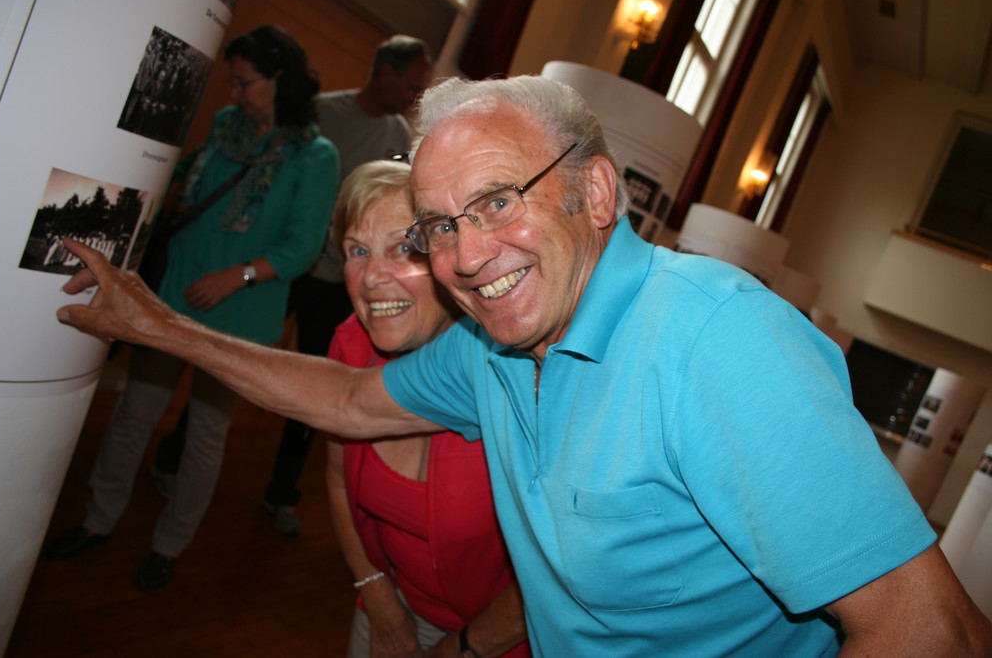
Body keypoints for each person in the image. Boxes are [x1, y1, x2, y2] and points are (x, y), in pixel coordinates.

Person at [56, 74, 992, 655]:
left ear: (596, 191)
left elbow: (932, 630)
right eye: (439, 226)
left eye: (499, 201)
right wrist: (165, 328)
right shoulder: (498, 344)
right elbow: (345, 398)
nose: (466, 256)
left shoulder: (713, 337)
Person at [44, 25, 339, 591]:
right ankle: (98, 518)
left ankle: (169, 545)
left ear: (280, 79)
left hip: (240, 316)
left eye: (244, 82)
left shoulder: (315, 155)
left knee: (205, 435)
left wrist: (237, 276)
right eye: (232, 81)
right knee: (134, 414)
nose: (234, 93)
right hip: (173, 298)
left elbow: (303, 247)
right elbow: (182, 187)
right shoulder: (226, 126)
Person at [324, 159, 528, 657]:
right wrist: (376, 595)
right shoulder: (351, 345)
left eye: (402, 248)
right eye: (357, 251)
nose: (372, 277)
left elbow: (559, 571)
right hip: (386, 604)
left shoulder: (515, 375)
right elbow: (337, 479)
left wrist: (463, 648)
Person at [261, 34, 433, 535]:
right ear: (385, 72)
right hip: (292, 268)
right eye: (411, 85)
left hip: (344, 282)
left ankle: (281, 492)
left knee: (319, 385)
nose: (414, 97)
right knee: (250, 349)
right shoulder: (324, 113)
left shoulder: (400, 134)